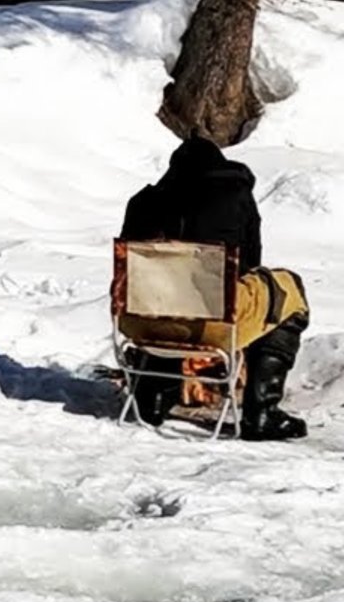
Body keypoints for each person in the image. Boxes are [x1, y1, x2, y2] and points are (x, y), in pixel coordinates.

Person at [120, 136, 309, 441]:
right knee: (288, 292)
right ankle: (261, 411)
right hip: (210, 323)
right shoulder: (234, 195)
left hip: (140, 322)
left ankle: (152, 395)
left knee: (164, 295)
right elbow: (249, 263)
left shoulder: (142, 202)